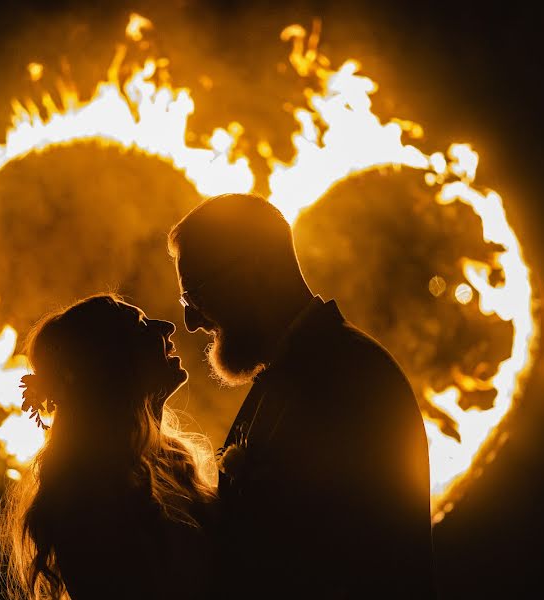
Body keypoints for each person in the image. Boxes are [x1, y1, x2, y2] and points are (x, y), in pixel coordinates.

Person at [168, 193, 436, 597]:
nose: (190, 321)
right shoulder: (296, 370)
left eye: (197, 294)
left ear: (256, 270)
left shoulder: (345, 377)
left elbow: (329, 562)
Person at [0, 293, 218, 599]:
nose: (166, 327)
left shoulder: (172, 462)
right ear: (110, 363)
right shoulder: (87, 497)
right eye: (140, 325)